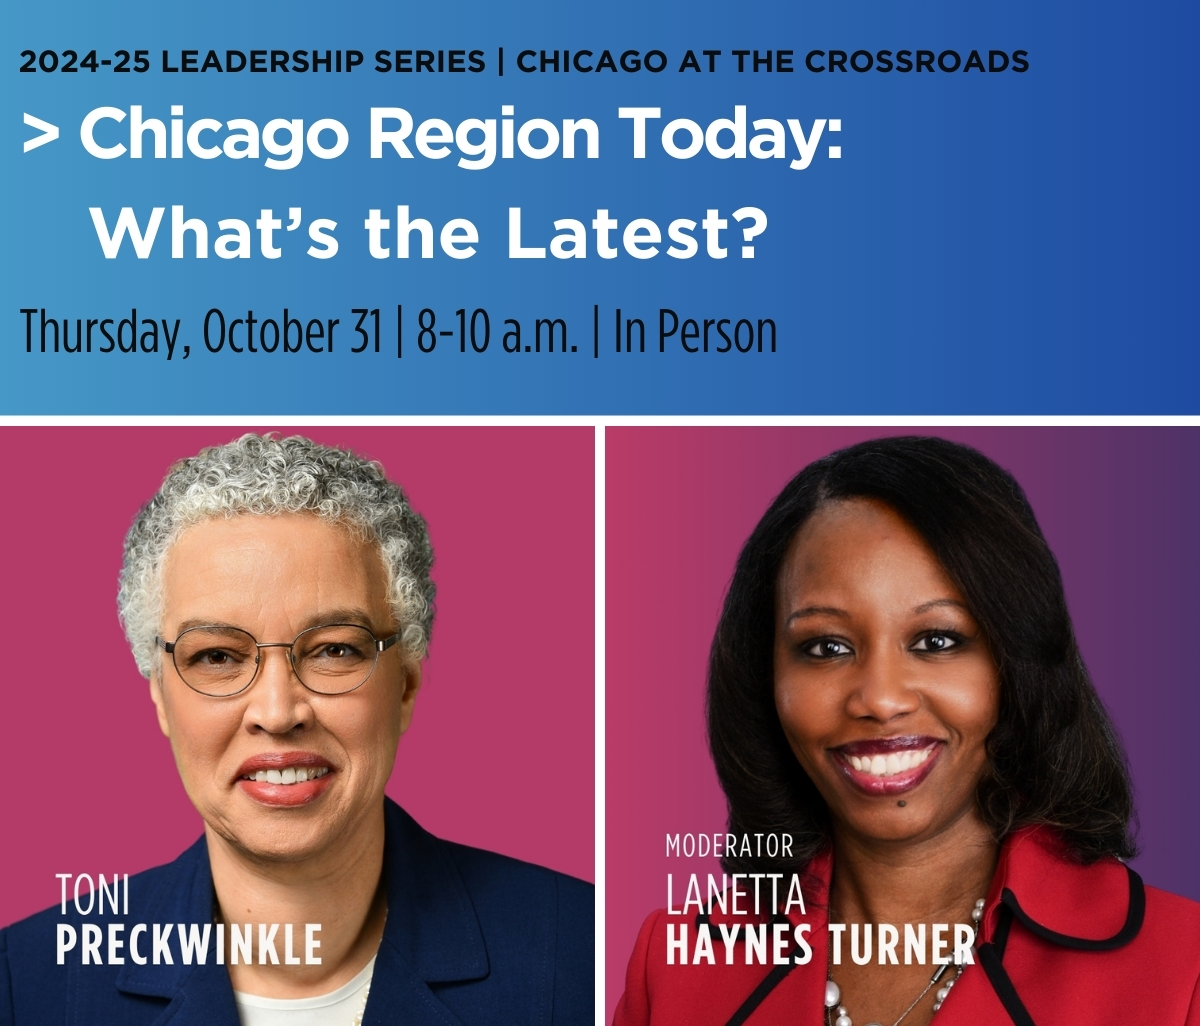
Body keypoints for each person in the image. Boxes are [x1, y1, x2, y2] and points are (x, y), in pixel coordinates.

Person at [0, 434, 592, 1026]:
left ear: (406, 684)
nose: (278, 712)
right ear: (160, 694)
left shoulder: (584, 955)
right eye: (217, 657)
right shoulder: (24, 987)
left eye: (334, 649)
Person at [614, 435, 1200, 1026]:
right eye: (825, 646)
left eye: (936, 641)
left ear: (1014, 665)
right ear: (765, 678)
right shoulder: (675, 967)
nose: (880, 699)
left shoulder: (1183, 971)